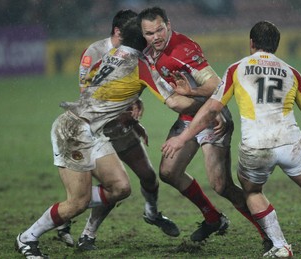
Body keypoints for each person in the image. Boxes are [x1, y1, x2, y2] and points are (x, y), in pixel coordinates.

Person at [161, 21, 301, 258]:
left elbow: (211, 110)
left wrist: (182, 138)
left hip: (256, 147)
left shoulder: (237, 69)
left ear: (251, 43)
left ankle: (280, 246)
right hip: (291, 144)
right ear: (276, 45)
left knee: (252, 193)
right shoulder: (291, 72)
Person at [15, 17, 200, 259]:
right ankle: (28, 237)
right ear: (142, 40)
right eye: (149, 35)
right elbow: (175, 102)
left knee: (120, 188)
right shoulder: (141, 64)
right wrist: (209, 106)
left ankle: (66, 214)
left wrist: (128, 113)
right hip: (73, 130)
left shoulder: (110, 56)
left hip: (92, 128)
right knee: (78, 203)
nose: (155, 39)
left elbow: (102, 92)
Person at [137, 6, 272, 248]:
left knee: (221, 185)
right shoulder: (147, 50)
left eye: (159, 30)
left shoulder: (183, 49)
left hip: (211, 117)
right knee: (168, 172)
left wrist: (192, 92)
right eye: (149, 33)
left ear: (168, 25)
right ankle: (213, 218)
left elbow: (216, 85)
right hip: (189, 116)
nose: (156, 37)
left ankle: (269, 234)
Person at [56, 9, 180, 251]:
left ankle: (152, 214)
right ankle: (82, 229)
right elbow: (88, 96)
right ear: (118, 32)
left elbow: (130, 86)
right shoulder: (94, 52)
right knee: (115, 187)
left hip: (120, 126)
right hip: (95, 130)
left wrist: (135, 106)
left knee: (148, 177)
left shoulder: (134, 53)